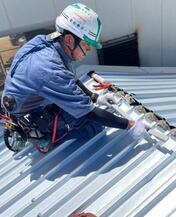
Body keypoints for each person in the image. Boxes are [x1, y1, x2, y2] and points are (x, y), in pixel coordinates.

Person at [1, 3, 149, 151]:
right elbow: (89, 112)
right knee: (93, 127)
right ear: (70, 40)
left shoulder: (45, 42)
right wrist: (130, 125)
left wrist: (95, 97)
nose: (89, 50)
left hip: (28, 99)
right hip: (32, 115)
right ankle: (42, 138)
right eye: (86, 45)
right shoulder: (49, 70)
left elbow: (68, 78)